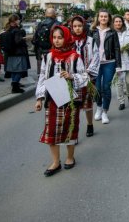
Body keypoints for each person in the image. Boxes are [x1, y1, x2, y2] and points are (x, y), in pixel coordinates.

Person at [34, 25, 89, 177]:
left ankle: (70, 157)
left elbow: (85, 77)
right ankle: (55, 162)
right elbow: (42, 77)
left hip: (70, 99)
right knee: (51, 129)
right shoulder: (48, 57)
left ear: (66, 38)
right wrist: (39, 98)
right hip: (52, 99)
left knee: (69, 128)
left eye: (60, 37)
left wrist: (72, 76)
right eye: (55, 38)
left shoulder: (75, 57)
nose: (57, 41)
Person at [71, 16, 99, 137]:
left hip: (87, 77)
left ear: (84, 26)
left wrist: (88, 72)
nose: (77, 28)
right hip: (72, 78)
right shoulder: (69, 41)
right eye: (75, 26)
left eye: (80, 26)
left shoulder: (90, 41)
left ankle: (89, 124)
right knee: (73, 105)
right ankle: (74, 130)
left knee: (87, 103)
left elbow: (96, 57)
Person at [91, 9, 121, 124]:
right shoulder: (92, 31)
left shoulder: (113, 32)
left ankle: (104, 111)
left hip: (109, 62)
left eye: (105, 17)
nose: (103, 18)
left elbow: (117, 49)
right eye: (101, 16)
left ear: (109, 19)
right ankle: (98, 106)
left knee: (106, 88)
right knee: (97, 88)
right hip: (96, 63)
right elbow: (88, 49)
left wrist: (118, 66)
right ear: (98, 18)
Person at [114, 15, 129, 110]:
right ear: (113, 23)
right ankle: (121, 101)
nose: (118, 23)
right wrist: (115, 51)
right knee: (119, 83)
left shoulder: (128, 32)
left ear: (122, 22)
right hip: (117, 61)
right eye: (116, 21)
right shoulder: (111, 33)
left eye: (120, 21)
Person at [4, 14, 29, 93]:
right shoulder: (17, 30)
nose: (19, 20)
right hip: (18, 53)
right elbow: (17, 41)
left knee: (14, 71)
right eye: (18, 19)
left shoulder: (8, 29)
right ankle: (15, 87)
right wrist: (24, 38)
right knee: (19, 70)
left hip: (10, 53)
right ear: (15, 21)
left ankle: (14, 84)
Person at [32, 8, 60, 74]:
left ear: (45, 14)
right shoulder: (57, 24)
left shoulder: (40, 24)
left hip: (40, 51)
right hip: (53, 49)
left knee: (42, 70)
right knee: (52, 70)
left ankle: (41, 78)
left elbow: (34, 39)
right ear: (54, 15)